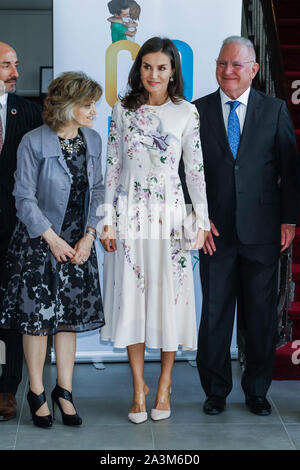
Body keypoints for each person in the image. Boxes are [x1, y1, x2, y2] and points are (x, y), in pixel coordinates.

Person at [100, 37, 210, 424]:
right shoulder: (123, 109)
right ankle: (137, 388)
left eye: (161, 67)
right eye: (147, 66)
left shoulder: (187, 113)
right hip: (130, 213)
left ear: (173, 71)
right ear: (138, 69)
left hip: (171, 217)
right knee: (133, 297)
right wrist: (106, 219)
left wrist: (201, 220)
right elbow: (112, 167)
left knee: (168, 297)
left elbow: (195, 172)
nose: (153, 74)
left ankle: (164, 383)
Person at [193, 36, 299, 416]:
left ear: (254, 69)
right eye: (223, 63)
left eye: (237, 64)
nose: (228, 70)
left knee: (259, 316)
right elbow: (186, 173)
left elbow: (288, 169)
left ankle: (257, 390)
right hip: (214, 234)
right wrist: (196, 218)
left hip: (263, 232)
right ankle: (215, 390)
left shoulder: (274, 110)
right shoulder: (197, 111)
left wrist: (289, 219)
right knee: (216, 314)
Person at [0, 71, 105, 427]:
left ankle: (65, 392)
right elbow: (23, 198)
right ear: (68, 105)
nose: (94, 110)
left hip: (79, 246)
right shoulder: (33, 141)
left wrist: (89, 236)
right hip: (39, 244)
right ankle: (36, 393)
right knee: (36, 324)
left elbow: (101, 192)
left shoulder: (92, 140)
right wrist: (53, 238)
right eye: (88, 104)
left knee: (67, 324)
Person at [0, 41, 43, 421]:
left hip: (16, 231)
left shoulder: (28, 112)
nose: (15, 73)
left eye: (16, 64)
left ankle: (6, 389)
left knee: (12, 312)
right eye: (6, 66)